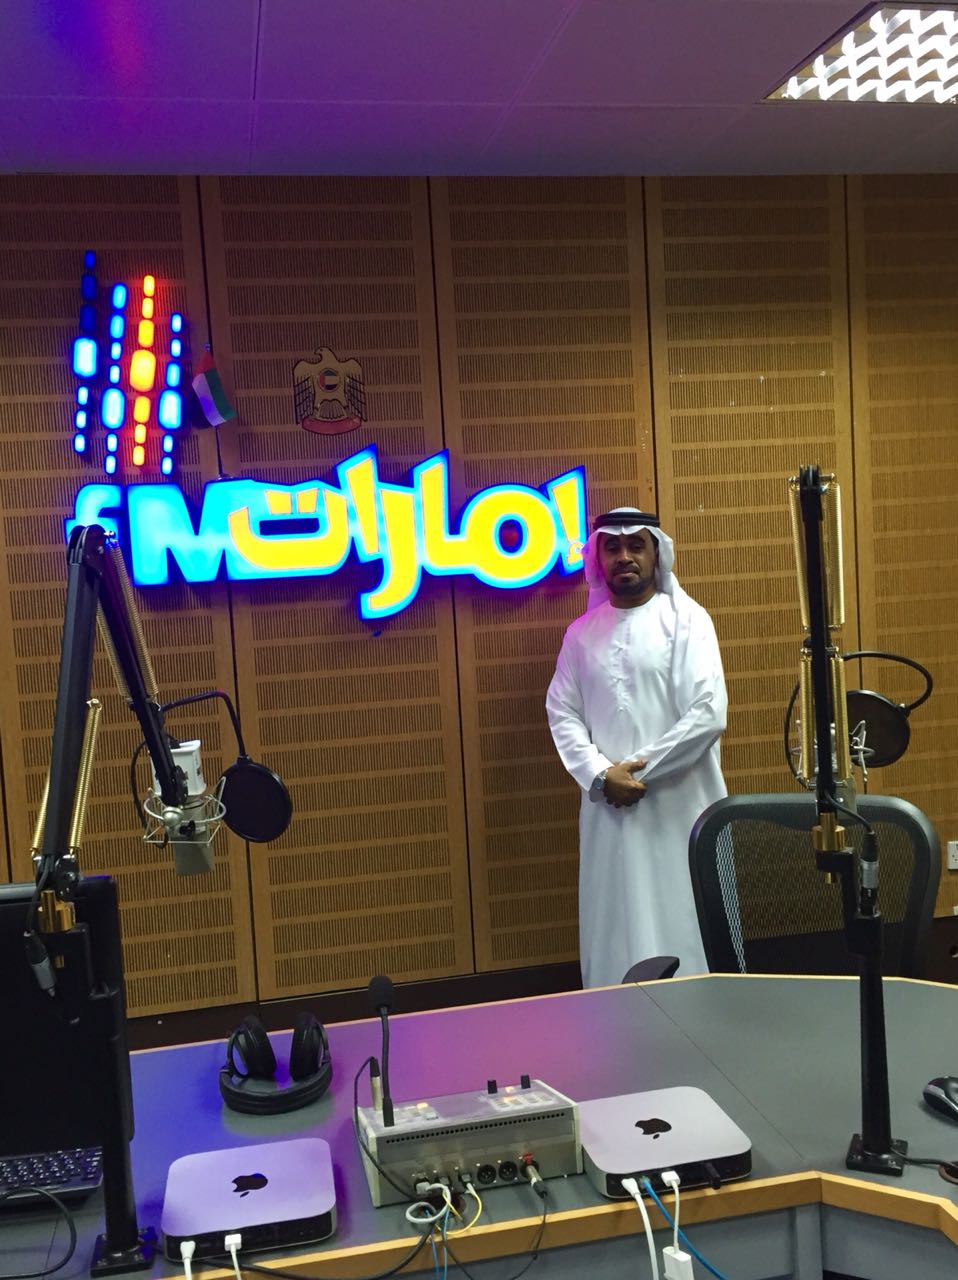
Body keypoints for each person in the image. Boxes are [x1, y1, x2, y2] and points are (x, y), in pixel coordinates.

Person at [545, 508, 727, 988]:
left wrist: (634, 774)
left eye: (636, 545)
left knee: (685, 918)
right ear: (598, 559)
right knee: (616, 927)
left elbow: (708, 713)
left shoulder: (686, 621)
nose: (624, 556)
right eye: (612, 546)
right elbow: (562, 712)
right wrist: (601, 775)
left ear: (656, 554)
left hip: (680, 811)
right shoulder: (580, 635)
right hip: (610, 815)